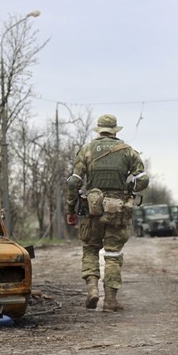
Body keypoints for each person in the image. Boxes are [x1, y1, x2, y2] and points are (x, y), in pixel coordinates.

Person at [66, 114, 149, 312]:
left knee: (90, 248)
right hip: (117, 211)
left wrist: (71, 209)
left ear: (99, 130)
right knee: (113, 253)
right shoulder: (128, 152)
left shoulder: (87, 150)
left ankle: (92, 288)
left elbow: (74, 182)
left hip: (91, 210)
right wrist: (130, 189)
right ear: (115, 130)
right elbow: (143, 179)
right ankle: (110, 300)